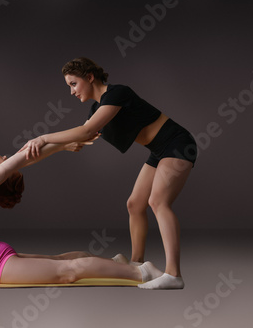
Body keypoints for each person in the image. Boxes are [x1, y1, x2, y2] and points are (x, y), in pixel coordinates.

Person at [19, 57, 197, 289]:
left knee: (158, 202)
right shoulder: (98, 108)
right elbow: (82, 136)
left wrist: (42, 137)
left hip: (177, 144)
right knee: (134, 204)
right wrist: (30, 155)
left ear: (90, 77)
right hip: (159, 150)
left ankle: (174, 275)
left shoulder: (117, 94)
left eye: (73, 84)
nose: (71, 92)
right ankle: (137, 264)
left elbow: (86, 129)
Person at [0, 141, 163, 285]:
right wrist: (57, 146)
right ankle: (116, 262)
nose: (7, 158)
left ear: (0, 177)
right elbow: (23, 156)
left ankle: (142, 273)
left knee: (67, 272)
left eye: (9, 167)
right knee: (58, 260)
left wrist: (62, 144)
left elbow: (25, 157)